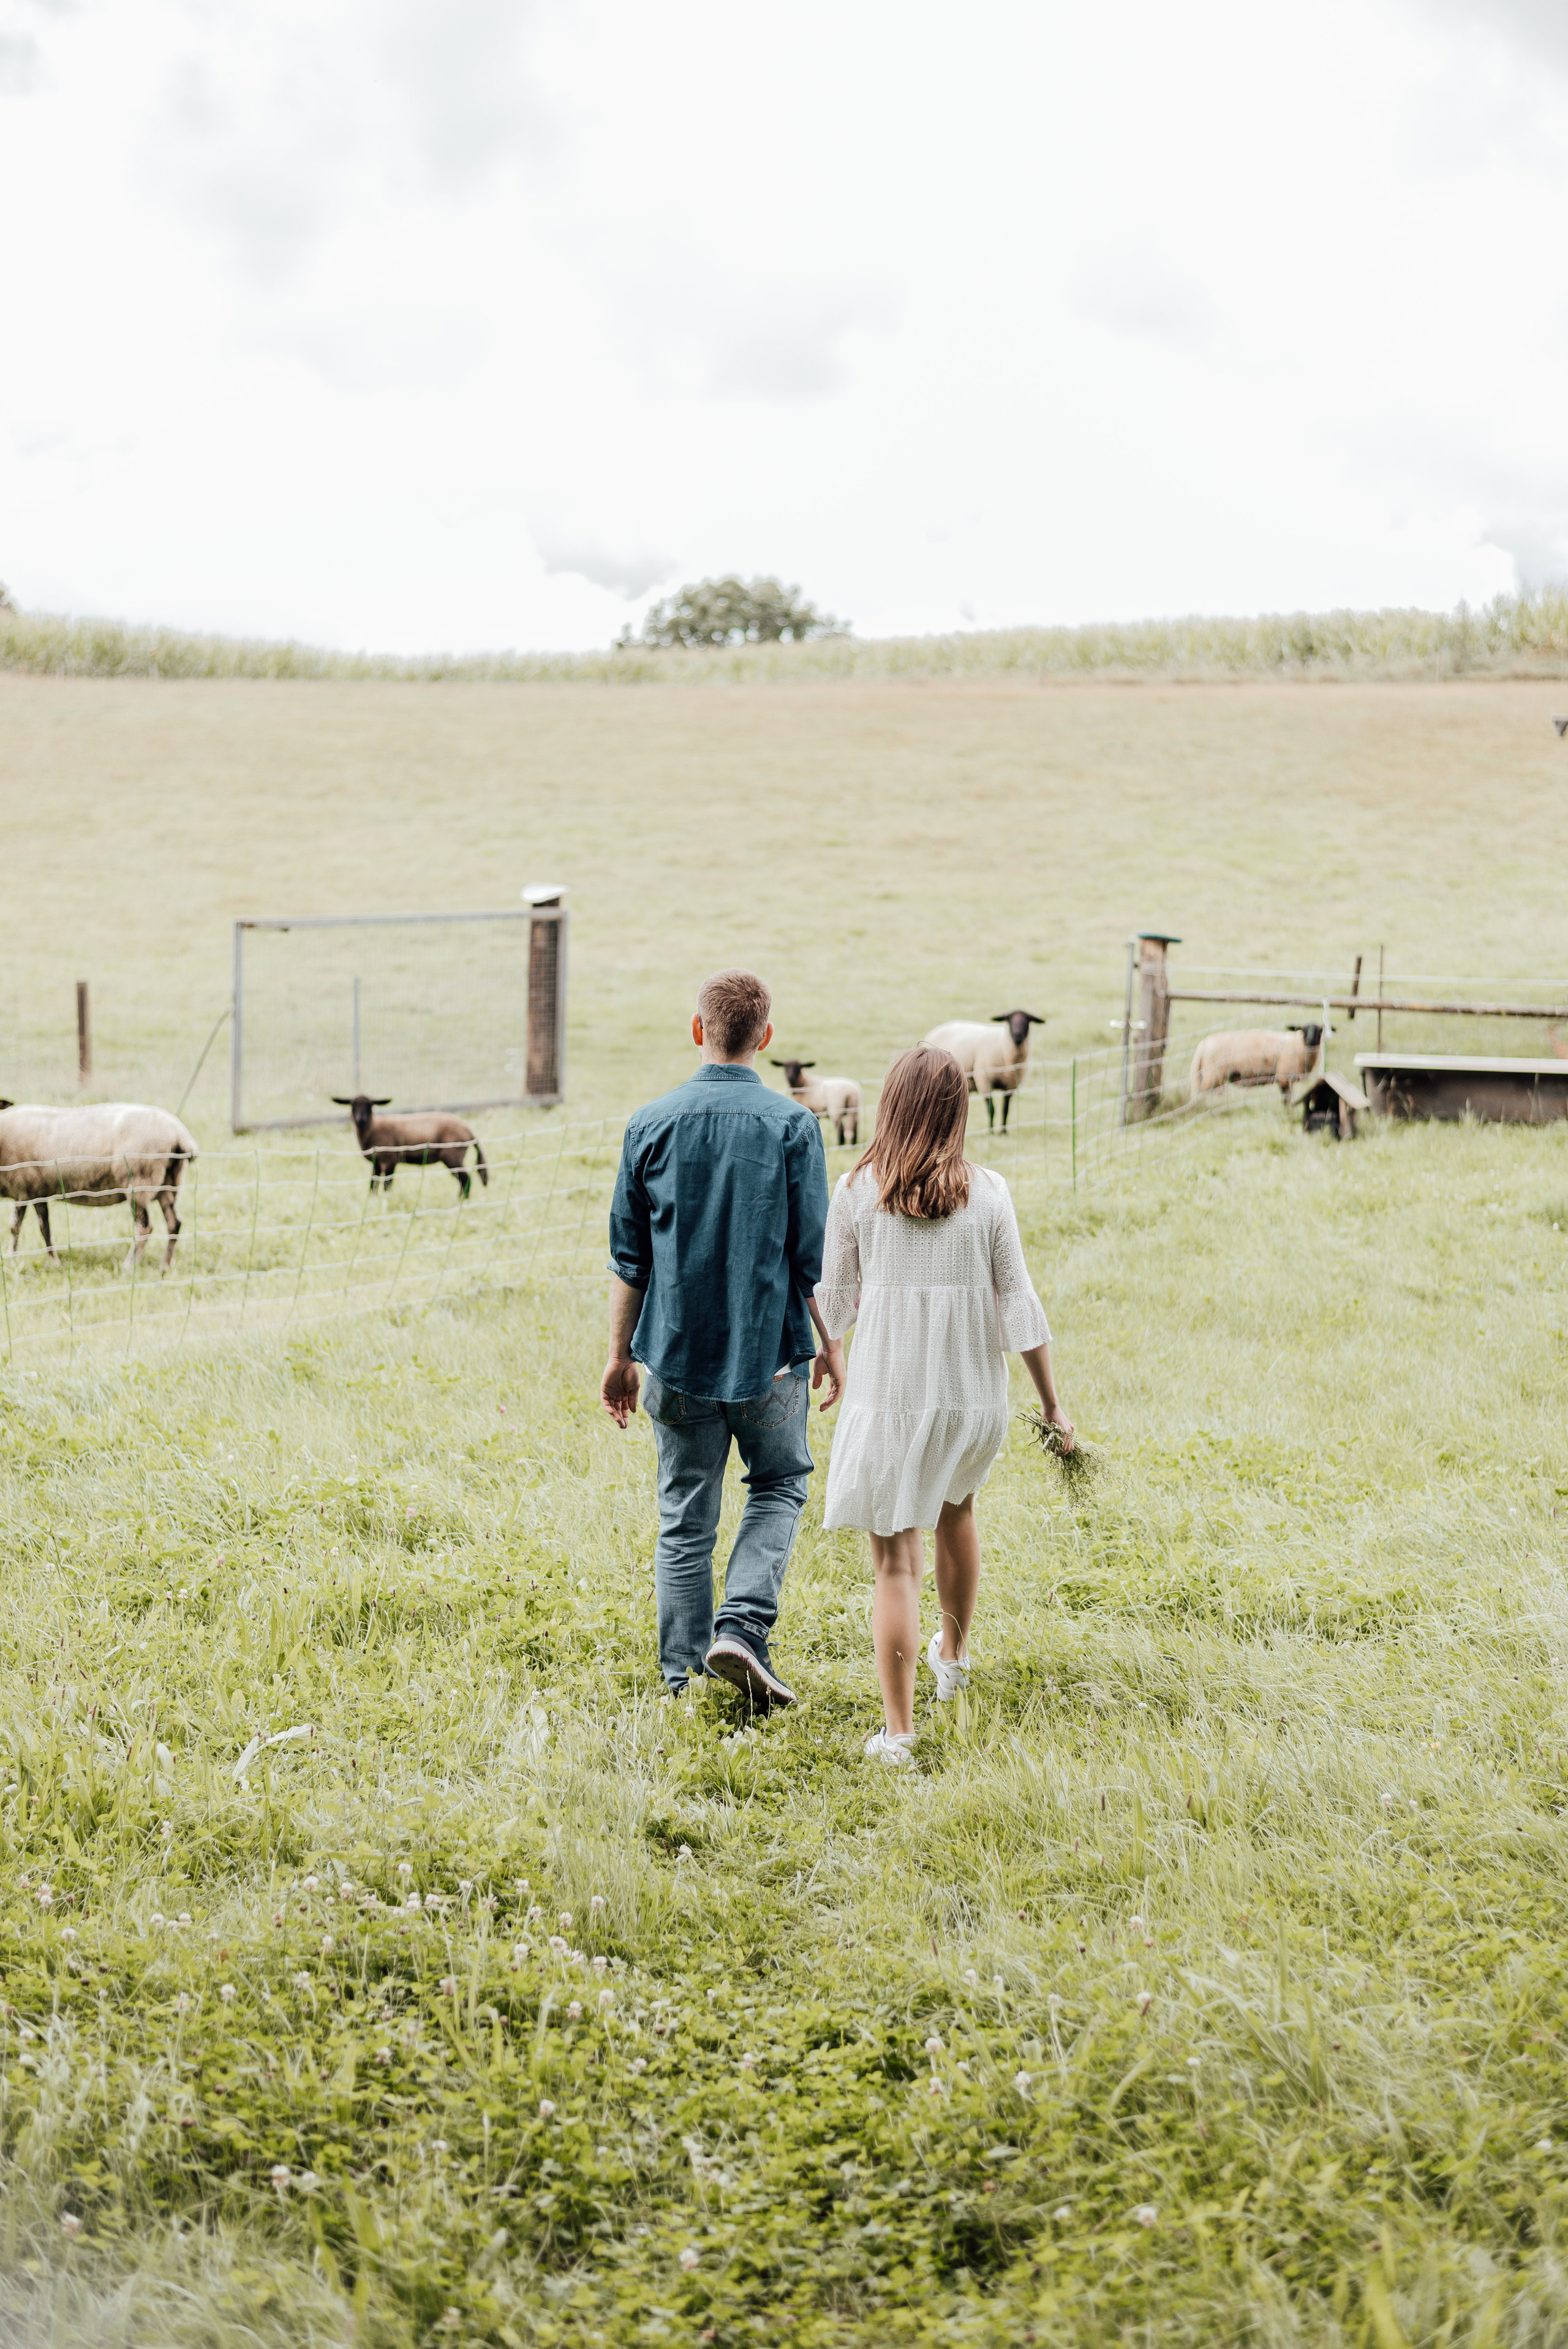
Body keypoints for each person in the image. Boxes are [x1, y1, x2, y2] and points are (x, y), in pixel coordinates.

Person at [813, 1045, 1073, 1762]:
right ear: (959, 1110)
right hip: (970, 1400)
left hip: (892, 1400)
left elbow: (831, 1302)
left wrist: (826, 1355)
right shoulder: (988, 1192)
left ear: (890, 1107)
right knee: (957, 1511)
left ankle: (898, 1734)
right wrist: (1052, 1406)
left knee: (896, 1563)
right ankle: (950, 1660)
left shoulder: (855, 1192)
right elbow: (1017, 1301)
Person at [602, 969, 845, 1706]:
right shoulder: (793, 1127)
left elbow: (630, 1259)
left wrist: (619, 1356)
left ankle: (681, 1679)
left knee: (684, 1514)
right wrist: (830, 1344)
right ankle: (741, 1625)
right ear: (766, 1039)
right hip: (769, 1356)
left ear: (698, 1029)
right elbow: (811, 1261)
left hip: (673, 1353)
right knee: (779, 1484)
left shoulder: (648, 1125)